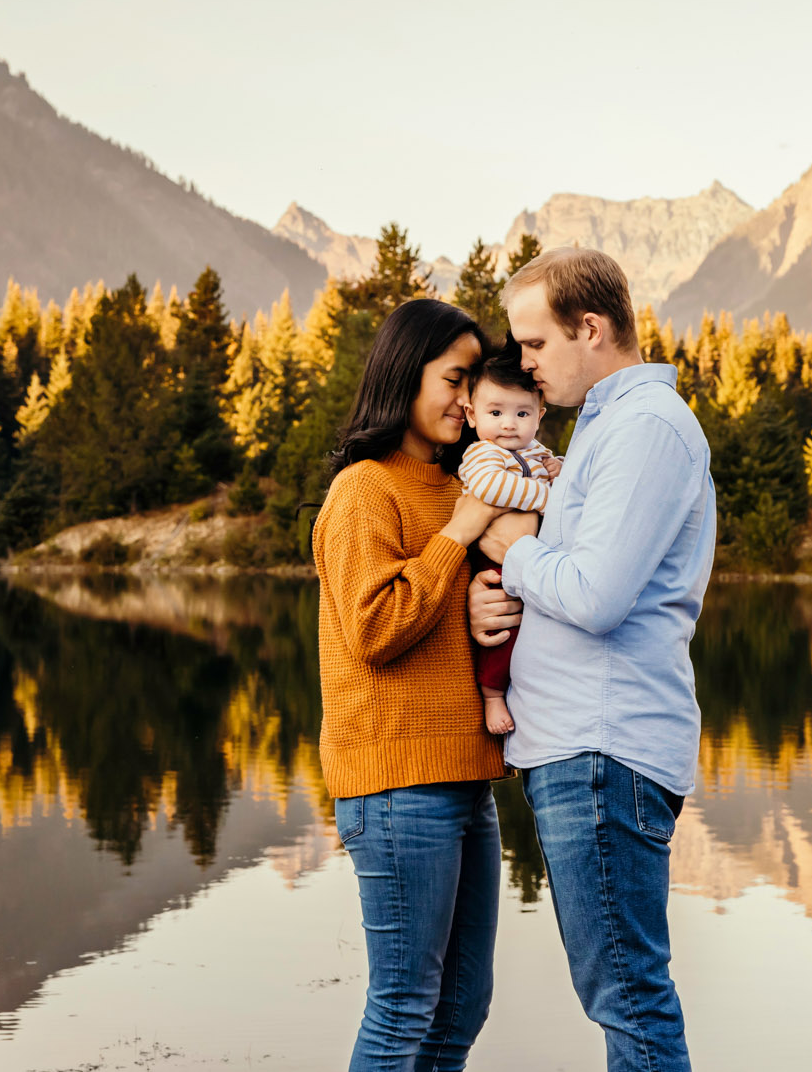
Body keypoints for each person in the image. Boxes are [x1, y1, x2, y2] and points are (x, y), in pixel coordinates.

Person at [468, 248, 716, 1072]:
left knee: (628, 999)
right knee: (622, 996)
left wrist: (513, 545)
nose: (527, 368)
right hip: (586, 750)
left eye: (535, 346)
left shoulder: (644, 428)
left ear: (592, 328)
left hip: (604, 749)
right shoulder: (611, 426)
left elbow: (598, 594)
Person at [313, 298, 510, 1072]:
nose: (468, 400)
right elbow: (375, 629)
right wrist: (458, 536)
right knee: (402, 1011)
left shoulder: (459, 483)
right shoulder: (366, 490)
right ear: (405, 374)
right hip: (397, 784)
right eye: (455, 379)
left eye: (473, 382)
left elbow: (439, 617)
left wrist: (485, 606)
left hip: (465, 777)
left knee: (461, 1007)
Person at [455, 346, 563, 736]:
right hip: (493, 562)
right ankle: (492, 694)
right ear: (472, 415)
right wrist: (550, 499)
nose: (509, 425)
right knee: (500, 631)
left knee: (528, 629)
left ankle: (524, 693)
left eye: (522, 413)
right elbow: (489, 487)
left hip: (531, 558)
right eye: (495, 412)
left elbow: (554, 473)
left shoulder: (534, 451)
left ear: (539, 416)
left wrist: (557, 470)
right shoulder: (482, 453)